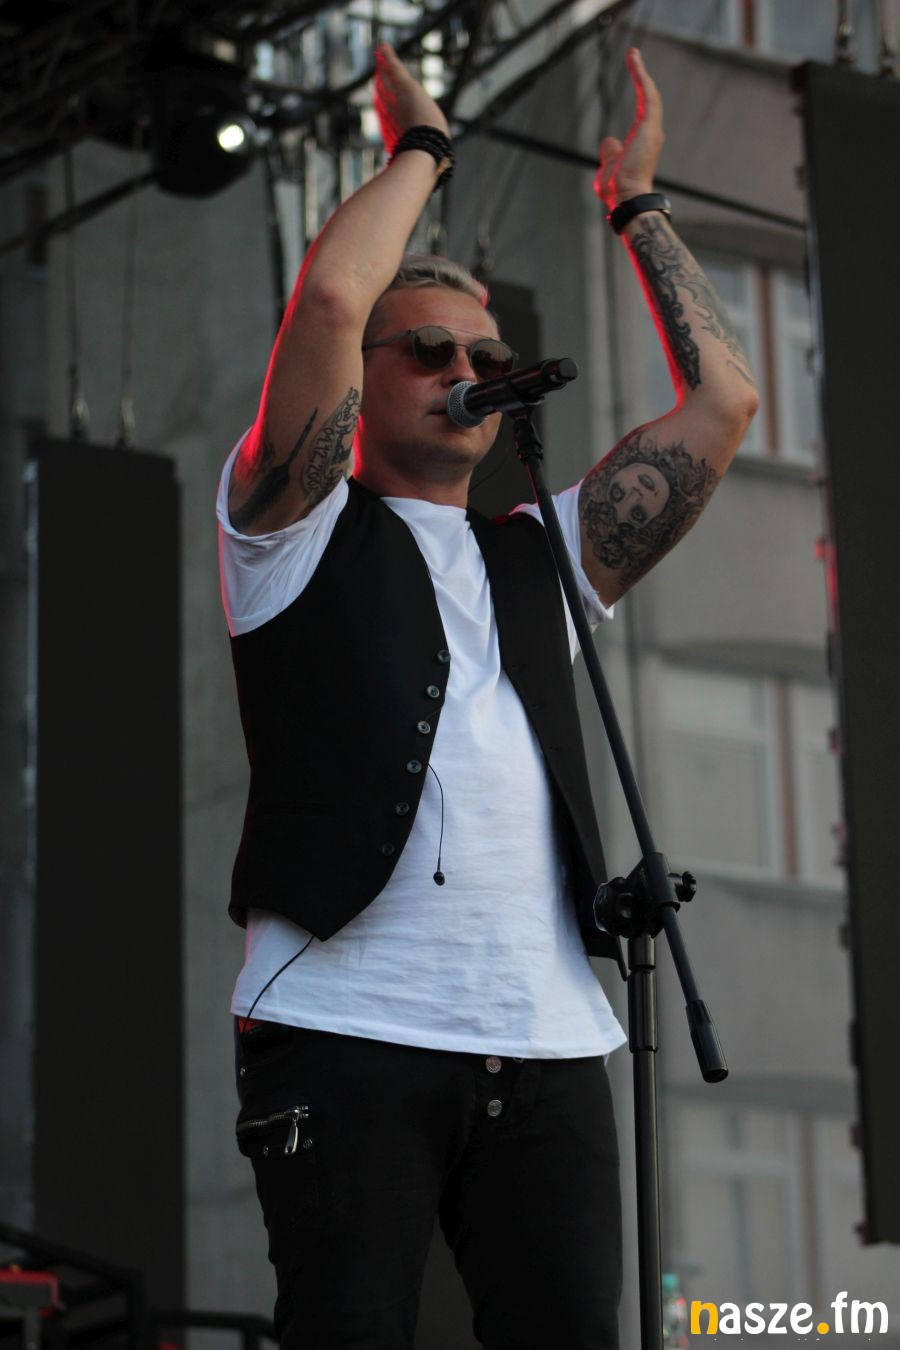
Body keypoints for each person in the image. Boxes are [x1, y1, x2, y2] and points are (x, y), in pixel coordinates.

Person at [217, 41, 758, 1350]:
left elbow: (727, 402)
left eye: (486, 348)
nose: (465, 363)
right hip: (345, 1025)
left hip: (551, 1038)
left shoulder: (542, 555)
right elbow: (332, 299)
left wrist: (636, 205)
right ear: (365, 379)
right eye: (429, 347)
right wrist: (424, 146)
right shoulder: (290, 527)